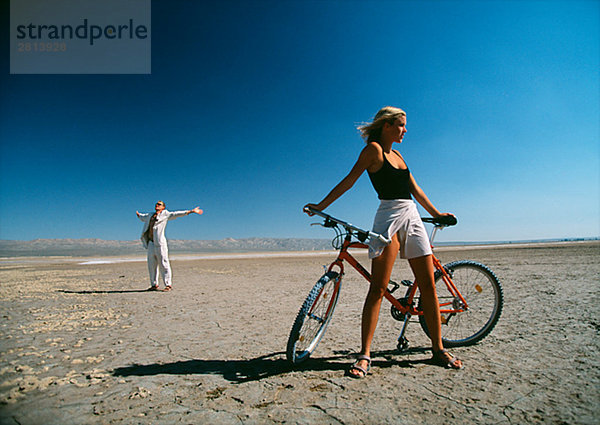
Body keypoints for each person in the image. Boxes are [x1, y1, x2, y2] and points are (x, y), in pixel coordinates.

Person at [304, 106, 462, 378]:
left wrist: (436, 214)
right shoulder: (373, 151)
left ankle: (437, 349)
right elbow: (349, 181)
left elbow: (415, 189)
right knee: (377, 289)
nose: (405, 130)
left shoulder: (399, 155)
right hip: (388, 217)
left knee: (427, 287)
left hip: (411, 216)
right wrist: (321, 205)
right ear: (387, 125)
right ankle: (365, 355)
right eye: (401, 125)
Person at [136, 201, 203, 291]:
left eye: (159, 204)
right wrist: (138, 214)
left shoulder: (165, 214)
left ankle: (168, 284)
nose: (157, 205)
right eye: (156, 204)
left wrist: (191, 211)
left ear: (163, 207)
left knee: (164, 263)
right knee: (151, 264)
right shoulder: (150, 215)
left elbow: (176, 214)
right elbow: (142, 217)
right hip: (151, 243)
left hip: (160, 243)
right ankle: (154, 284)